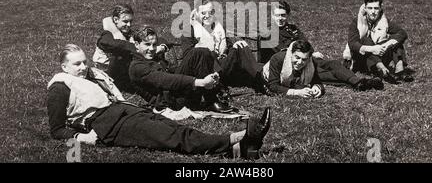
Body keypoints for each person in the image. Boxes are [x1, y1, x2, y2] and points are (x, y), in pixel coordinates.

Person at [47, 44, 271, 159]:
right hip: (109, 125)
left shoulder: (92, 75)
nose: (83, 67)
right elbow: (56, 129)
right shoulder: (60, 87)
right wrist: (82, 137)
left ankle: (240, 150)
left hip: (125, 112)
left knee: (175, 128)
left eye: (84, 62)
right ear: (64, 67)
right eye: (77, 64)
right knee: (173, 137)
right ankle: (238, 137)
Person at [260, 1, 383, 91]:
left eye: (283, 15)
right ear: (272, 15)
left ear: (288, 16)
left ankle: (358, 83)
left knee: (333, 64)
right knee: (323, 74)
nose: (280, 19)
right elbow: (284, 53)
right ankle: (360, 82)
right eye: (277, 15)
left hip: (304, 59)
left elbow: (306, 43)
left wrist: (311, 53)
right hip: (286, 67)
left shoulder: (292, 29)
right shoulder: (268, 33)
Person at [129, 26, 229, 113]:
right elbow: (164, 80)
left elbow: (169, 73)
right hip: (169, 104)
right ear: (137, 45)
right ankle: (211, 99)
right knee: (196, 53)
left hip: (177, 95)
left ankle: (213, 96)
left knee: (203, 52)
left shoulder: (149, 57)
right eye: (147, 44)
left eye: (154, 45)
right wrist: (200, 82)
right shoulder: (137, 67)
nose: (151, 48)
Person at [181, 0, 271, 95]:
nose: (207, 16)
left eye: (211, 12)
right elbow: (188, 56)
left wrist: (235, 46)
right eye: (203, 13)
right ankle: (259, 80)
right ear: (197, 14)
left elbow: (228, 46)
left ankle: (260, 79)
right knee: (209, 52)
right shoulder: (190, 30)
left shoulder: (218, 28)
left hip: (224, 64)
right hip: (208, 69)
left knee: (241, 46)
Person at [93, 4, 168, 92]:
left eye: (130, 21)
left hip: (125, 73)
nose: (128, 25)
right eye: (125, 21)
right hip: (108, 75)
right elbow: (108, 43)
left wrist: (162, 46)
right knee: (122, 54)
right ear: (116, 20)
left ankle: (161, 75)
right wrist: (138, 49)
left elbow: (156, 39)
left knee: (149, 46)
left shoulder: (129, 33)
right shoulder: (107, 34)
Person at [344, 0, 414, 84]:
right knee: (365, 39)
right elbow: (353, 44)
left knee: (395, 41)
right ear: (365, 8)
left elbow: (402, 33)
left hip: (380, 52)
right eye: (370, 8)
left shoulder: (383, 20)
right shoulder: (357, 22)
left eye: (376, 8)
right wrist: (373, 49)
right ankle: (383, 70)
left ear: (380, 8)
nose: (373, 12)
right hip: (363, 59)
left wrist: (386, 44)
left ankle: (400, 70)